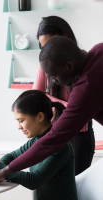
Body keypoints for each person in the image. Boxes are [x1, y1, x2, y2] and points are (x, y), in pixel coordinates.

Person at [0, 37, 103, 186]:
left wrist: (4, 171)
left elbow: (53, 139)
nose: (54, 81)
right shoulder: (99, 49)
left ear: (69, 65)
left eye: (55, 75)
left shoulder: (85, 88)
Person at [0, 90, 77, 200]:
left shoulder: (60, 146)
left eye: (21, 121)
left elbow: (34, 180)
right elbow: (12, 156)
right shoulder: (36, 140)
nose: (19, 126)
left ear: (40, 117)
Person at [34, 16, 95, 175]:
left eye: (49, 43)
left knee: (77, 187)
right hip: (54, 132)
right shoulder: (46, 64)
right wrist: (66, 105)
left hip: (80, 136)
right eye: (43, 47)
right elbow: (35, 96)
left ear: (64, 35)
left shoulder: (84, 62)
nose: (47, 50)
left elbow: (86, 99)